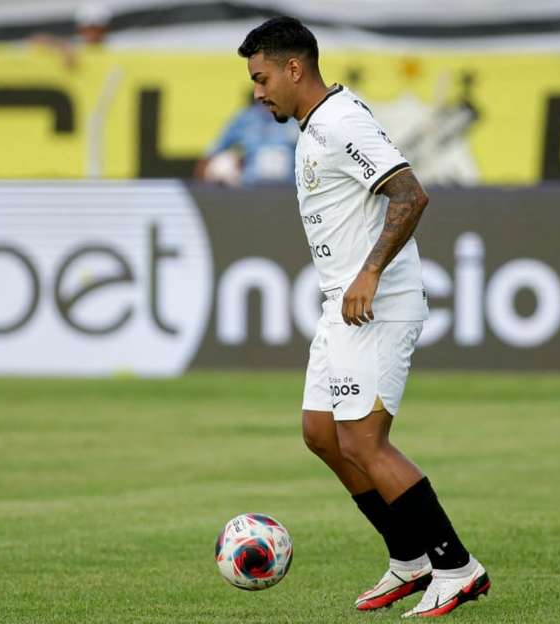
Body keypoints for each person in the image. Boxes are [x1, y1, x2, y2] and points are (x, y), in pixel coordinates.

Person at [237, 17, 490, 618]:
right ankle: (408, 558)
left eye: (262, 77)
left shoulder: (341, 123)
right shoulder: (316, 125)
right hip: (342, 307)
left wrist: (370, 271)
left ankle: (456, 566)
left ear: (294, 68)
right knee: (321, 433)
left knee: (363, 440)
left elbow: (411, 193)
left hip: (376, 305)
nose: (257, 91)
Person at [194, 93, 299, 187]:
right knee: (223, 164)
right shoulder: (246, 118)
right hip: (251, 184)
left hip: (289, 185)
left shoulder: (294, 118)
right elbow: (216, 148)